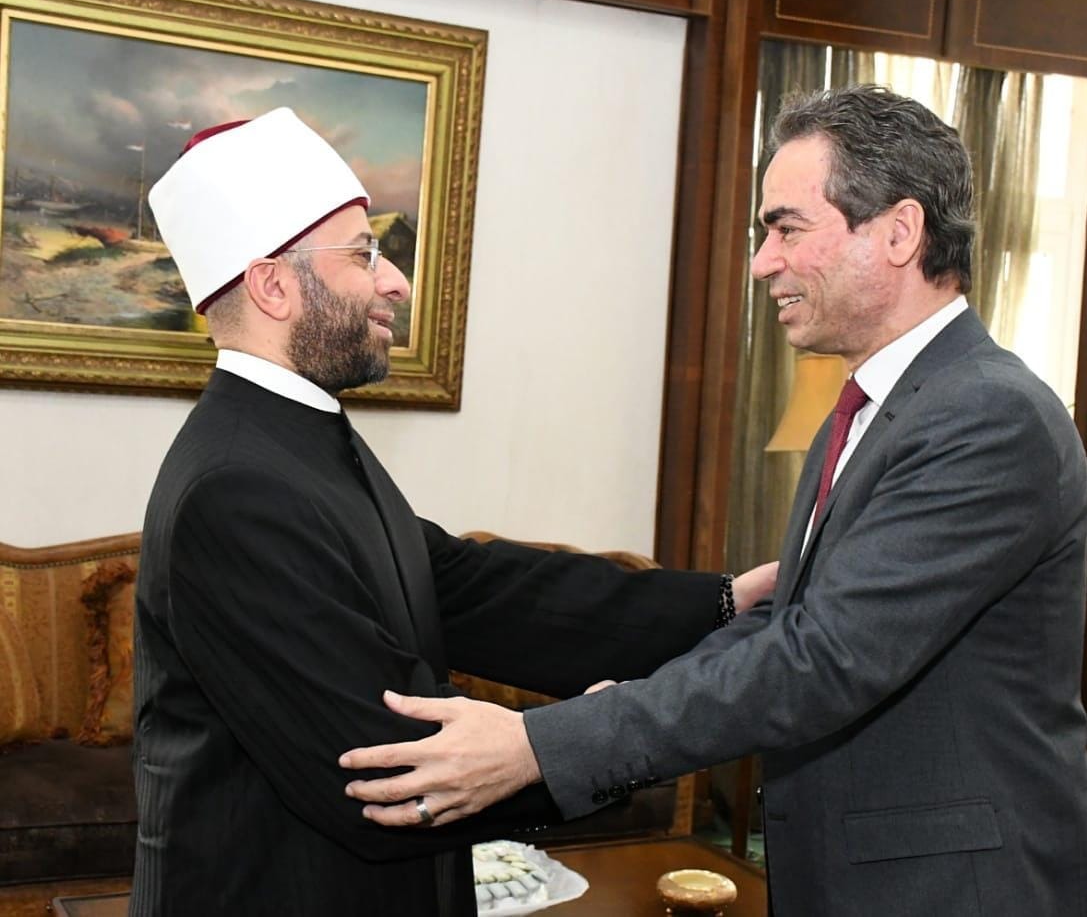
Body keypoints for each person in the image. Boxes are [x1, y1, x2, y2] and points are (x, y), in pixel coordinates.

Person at [340, 85, 1087, 916]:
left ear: (899, 232)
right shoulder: (876, 406)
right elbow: (789, 623)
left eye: (788, 228)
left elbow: (823, 659)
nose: (763, 262)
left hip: (960, 890)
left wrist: (545, 743)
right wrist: (612, 711)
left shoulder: (987, 415)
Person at [133, 107, 776, 917]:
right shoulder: (237, 487)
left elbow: (468, 588)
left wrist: (719, 604)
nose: (396, 281)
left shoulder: (295, 439)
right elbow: (386, 771)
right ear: (273, 285)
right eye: (364, 254)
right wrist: (610, 739)